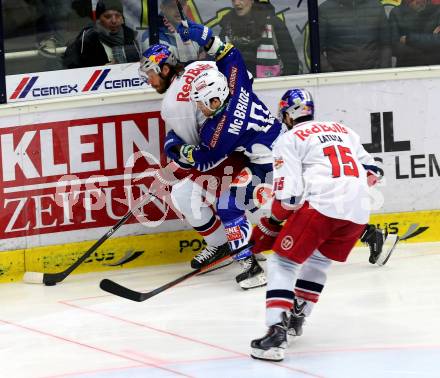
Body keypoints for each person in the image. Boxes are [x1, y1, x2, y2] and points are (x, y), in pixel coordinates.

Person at [249, 88, 388, 361]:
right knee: (319, 261)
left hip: (322, 206)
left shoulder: (288, 139)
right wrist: (350, 189)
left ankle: (277, 331)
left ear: (287, 115)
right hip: (360, 211)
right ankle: (298, 316)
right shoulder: (342, 129)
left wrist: (271, 223)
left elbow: (288, 198)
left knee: (283, 262)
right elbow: (375, 171)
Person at [163, 20, 286, 289]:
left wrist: (175, 146)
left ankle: (250, 267)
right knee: (302, 202)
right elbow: (229, 53)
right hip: (280, 152)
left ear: (215, 100)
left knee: (229, 205)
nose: (199, 108)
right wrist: (202, 34)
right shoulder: (236, 84)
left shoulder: (222, 129)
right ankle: (369, 233)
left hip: (273, 165)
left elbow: (204, 157)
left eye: (201, 103)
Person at [139, 44, 250, 278]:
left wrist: (174, 155)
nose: (149, 81)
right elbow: (246, 78)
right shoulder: (203, 65)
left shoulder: (171, 105)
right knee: (187, 192)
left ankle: (240, 246)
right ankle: (223, 244)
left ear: (165, 70)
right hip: (245, 144)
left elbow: (195, 153)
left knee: (187, 194)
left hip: (229, 155)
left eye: (150, 74)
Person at [219, 0, 299, 77]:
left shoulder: (273, 24)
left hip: (270, 86)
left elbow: (291, 62)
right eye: (233, 0)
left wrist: (280, 86)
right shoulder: (227, 27)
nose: (236, 3)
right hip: (238, 86)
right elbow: (217, 59)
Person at [63, 0, 140, 68]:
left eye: (118, 16)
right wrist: (101, 70)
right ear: (98, 20)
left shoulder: (132, 38)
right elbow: (72, 71)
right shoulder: (85, 41)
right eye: (108, 16)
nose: (114, 21)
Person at [318, 0, 391, 72]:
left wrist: (381, 72)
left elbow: (386, 44)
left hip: (373, 75)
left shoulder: (376, 6)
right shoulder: (325, 9)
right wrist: (331, 75)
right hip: (340, 77)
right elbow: (314, 50)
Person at [141, 0, 204, 64]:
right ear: (163, 8)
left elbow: (207, 54)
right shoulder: (151, 36)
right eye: (173, 6)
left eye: (182, 5)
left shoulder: (195, 28)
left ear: (187, 6)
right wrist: (178, 35)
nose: (178, 10)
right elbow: (162, 69)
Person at [389, 0, 440, 67]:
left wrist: (408, 39)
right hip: (407, 68)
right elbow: (395, 47)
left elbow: (437, 41)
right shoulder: (396, 12)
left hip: (433, 68)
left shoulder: (437, 11)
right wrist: (429, 40)